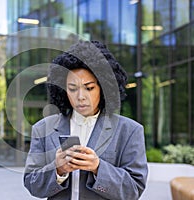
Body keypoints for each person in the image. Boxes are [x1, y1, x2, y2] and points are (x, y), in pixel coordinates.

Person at [23, 40, 148, 200]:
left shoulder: (130, 130)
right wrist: (58, 170)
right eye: (72, 89)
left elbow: (134, 189)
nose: (81, 97)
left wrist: (98, 167)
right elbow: (31, 183)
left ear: (104, 87)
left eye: (89, 88)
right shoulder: (42, 128)